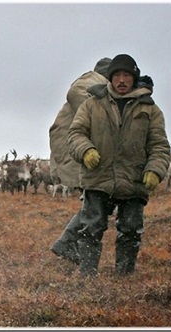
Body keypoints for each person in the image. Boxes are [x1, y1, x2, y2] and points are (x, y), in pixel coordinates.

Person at [67, 54, 171, 276]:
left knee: (131, 231)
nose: (122, 80)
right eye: (117, 75)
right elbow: (75, 134)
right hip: (98, 178)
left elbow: (159, 146)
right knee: (90, 229)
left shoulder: (151, 110)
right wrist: (85, 150)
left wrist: (155, 169)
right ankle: (87, 277)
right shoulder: (92, 104)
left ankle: (123, 279)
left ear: (134, 78)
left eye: (126, 75)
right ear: (110, 78)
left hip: (133, 181)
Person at [49, 57, 112, 265]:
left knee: (95, 201)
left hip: (76, 150)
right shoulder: (93, 79)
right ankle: (67, 243)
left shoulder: (98, 84)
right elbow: (75, 92)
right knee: (96, 201)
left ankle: (70, 244)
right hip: (75, 151)